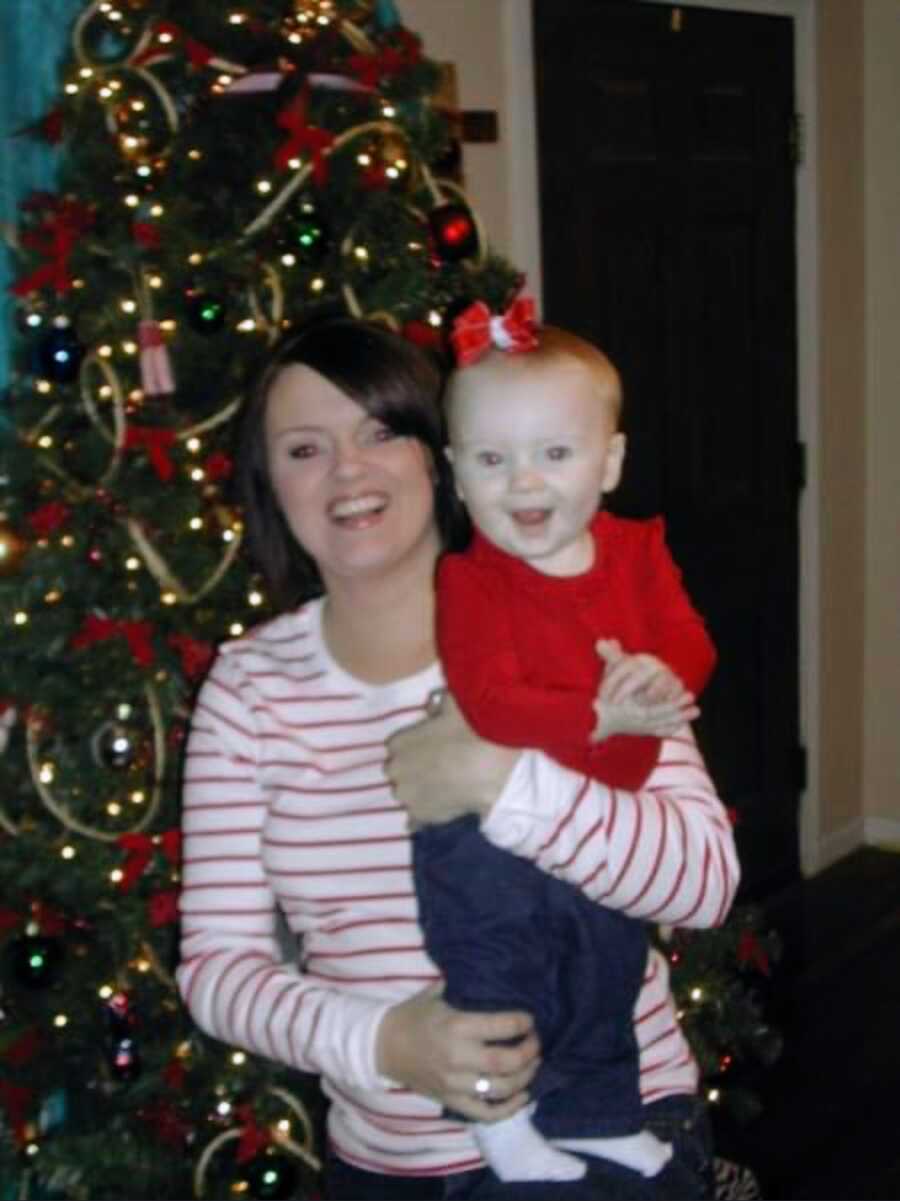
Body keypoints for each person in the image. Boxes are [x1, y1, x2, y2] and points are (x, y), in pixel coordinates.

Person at [175, 315, 740, 1201]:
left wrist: (503, 783)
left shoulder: (572, 606)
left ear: (438, 455)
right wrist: (386, 1040)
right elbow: (218, 968)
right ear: (269, 486)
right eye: (303, 448)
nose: (348, 470)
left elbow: (703, 880)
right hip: (393, 1168)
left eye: (380, 431)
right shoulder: (248, 691)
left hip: (614, 1128)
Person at [412, 311, 719, 1183]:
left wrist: (660, 676)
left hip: (604, 818)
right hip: (481, 833)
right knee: (497, 965)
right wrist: (602, 716)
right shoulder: (470, 580)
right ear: (456, 475)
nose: (524, 483)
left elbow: (693, 643)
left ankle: (596, 1110)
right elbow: (490, 702)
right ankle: (499, 1120)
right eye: (492, 459)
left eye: (555, 453)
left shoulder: (638, 551)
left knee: (609, 965)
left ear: (609, 462)